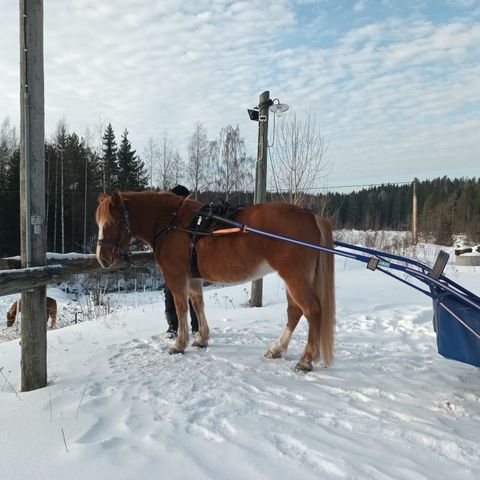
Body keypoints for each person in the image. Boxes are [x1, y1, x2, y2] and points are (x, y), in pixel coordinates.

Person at [164, 185, 199, 337]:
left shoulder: (195, 215)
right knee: (170, 293)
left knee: (193, 294)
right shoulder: (167, 218)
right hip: (173, 262)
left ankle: (196, 327)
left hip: (191, 260)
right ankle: (173, 326)